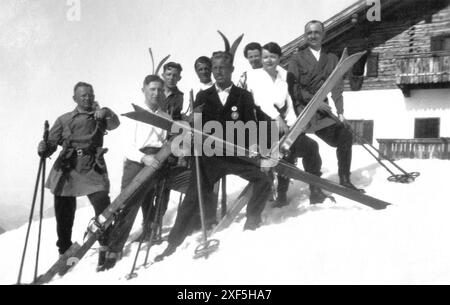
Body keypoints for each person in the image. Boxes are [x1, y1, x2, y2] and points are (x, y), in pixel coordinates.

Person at [155, 51, 272, 261]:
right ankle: (172, 244)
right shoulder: (203, 96)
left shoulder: (243, 96)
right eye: (215, 68)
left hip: (237, 156)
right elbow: (196, 126)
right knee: (192, 197)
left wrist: (256, 146)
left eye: (223, 68)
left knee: (264, 178)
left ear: (231, 70)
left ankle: (252, 220)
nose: (218, 72)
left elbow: (252, 125)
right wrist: (193, 132)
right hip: (210, 157)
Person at [104, 75, 191, 269]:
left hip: (160, 160)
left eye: (160, 90)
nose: (156, 93)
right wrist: (144, 158)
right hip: (138, 162)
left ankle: (174, 231)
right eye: (152, 89)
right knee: (128, 205)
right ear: (144, 89)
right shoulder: (135, 114)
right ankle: (114, 250)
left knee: (190, 184)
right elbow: (127, 146)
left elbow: (169, 142)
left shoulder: (165, 116)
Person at [37, 81, 120, 271]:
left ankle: (105, 247)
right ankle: (64, 251)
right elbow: (51, 143)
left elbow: (115, 124)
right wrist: (43, 148)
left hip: (92, 166)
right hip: (67, 169)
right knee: (64, 214)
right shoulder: (64, 119)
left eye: (90, 94)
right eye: (83, 95)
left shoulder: (100, 115)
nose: (87, 98)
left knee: (102, 206)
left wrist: (106, 111)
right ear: (74, 98)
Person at [246, 42, 327, 207]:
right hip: (263, 126)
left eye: (272, 57)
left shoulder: (282, 79)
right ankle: (280, 193)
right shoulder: (255, 76)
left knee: (311, 147)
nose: (269, 60)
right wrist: (277, 118)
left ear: (279, 58)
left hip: (283, 126)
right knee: (283, 155)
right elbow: (261, 101)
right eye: (265, 57)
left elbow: (288, 104)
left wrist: (293, 125)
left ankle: (315, 189)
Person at [288, 20, 364, 192]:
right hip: (301, 112)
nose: (313, 36)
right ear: (305, 36)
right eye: (309, 33)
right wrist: (314, 102)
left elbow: (337, 87)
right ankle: (287, 192)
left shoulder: (332, 58)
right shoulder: (296, 58)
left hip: (322, 114)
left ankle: (345, 179)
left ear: (323, 35)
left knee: (344, 135)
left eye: (316, 32)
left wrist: (341, 112)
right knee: (291, 147)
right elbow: (294, 88)